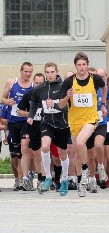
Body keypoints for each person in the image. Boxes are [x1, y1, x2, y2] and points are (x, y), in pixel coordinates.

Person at [58, 52, 108, 197]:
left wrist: (103, 104)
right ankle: (81, 183)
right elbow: (60, 105)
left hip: (90, 118)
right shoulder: (69, 82)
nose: (81, 67)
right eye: (79, 65)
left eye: (84, 64)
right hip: (74, 121)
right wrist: (67, 96)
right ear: (75, 66)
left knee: (80, 142)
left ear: (87, 65)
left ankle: (86, 170)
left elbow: (104, 87)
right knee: (77, 154)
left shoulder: (95, 79)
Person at [30, 62, 71, 195]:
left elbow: (66, 106)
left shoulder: (63, 86)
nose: (50, 75)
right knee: (45, 147)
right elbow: (34, 101)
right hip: (47, 123)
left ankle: (65, 180)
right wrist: (31, 116)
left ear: (57, 72)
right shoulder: (41, 88)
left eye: (52, 72)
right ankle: (47, 177)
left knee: (62, 154)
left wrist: (54, 104)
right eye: (47, 72)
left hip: (61, 124)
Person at [2, 62, 34, 190]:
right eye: (26, 71)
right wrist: (7, 102)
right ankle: (18, 179)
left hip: (25, 122)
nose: (28, 74)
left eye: (30, 71)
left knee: (24, 149)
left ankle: (24, 179)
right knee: (15, 156)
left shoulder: (32, 87)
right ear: (21, 71)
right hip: (13, 122)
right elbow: (3, 98)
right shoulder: (11, 82)